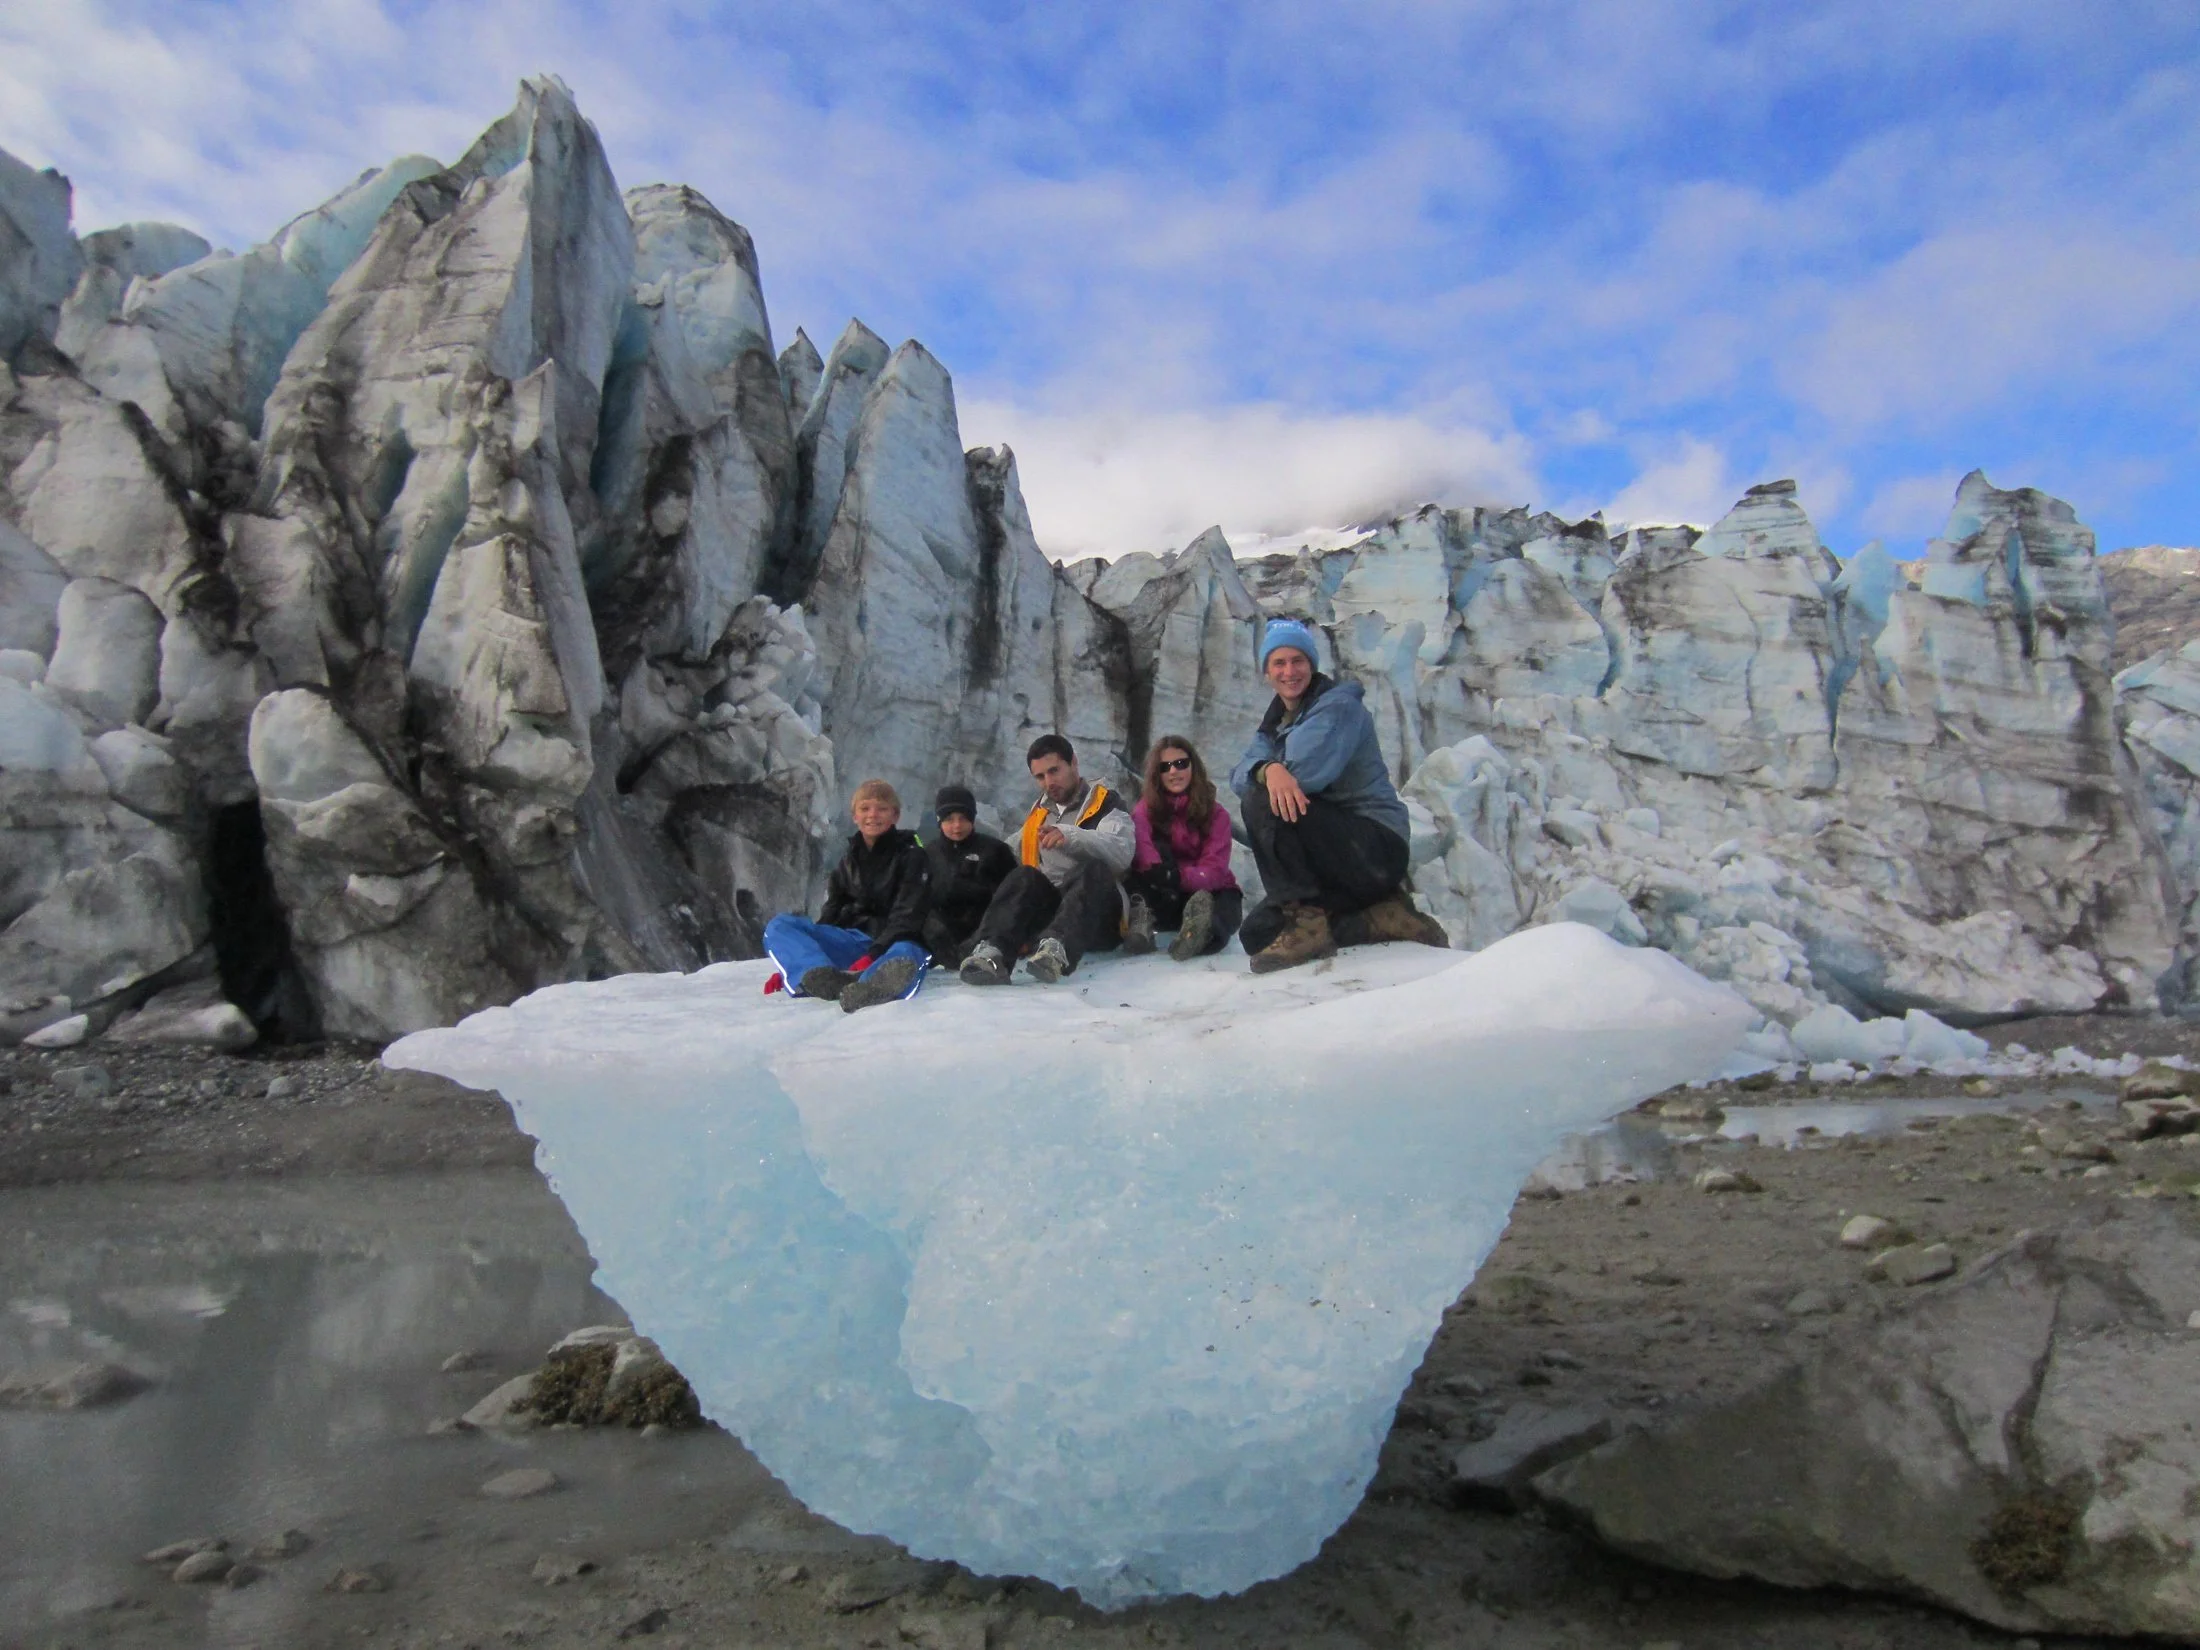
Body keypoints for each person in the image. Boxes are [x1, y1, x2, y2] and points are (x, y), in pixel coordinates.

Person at [1230, 618, 1448, 972]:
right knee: (1258, 932)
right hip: (1335, 856)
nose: (1289, 671)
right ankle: (1380, 918)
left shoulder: (1337, 708)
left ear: (1312, 665)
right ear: (1267, 672)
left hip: (1375, 847)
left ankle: (1309, 923)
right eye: (1279, 663)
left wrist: (1269, 771)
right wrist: (1268, 769)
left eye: (1297, 660)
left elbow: (1301, 776)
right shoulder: (1276, 724)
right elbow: (1237, 775)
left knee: (1262, 800)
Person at [960, 735, 1134, 985]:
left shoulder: (1106, 802)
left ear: (1073, 763)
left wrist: (1070, 835)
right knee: (1025, 876)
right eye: (1040, 777)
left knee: (1092, 868)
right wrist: (979, 857)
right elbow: (1013, 848)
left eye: (1054, 771)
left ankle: (1057, 949)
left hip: (1100, 915)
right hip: (1054, 913)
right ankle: (993, 953)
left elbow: (1122, 851)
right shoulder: (1040, 812)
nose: (1049, 782)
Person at [761, 779, 932, 1012]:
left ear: (895, 816)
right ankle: (815, 977)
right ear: (854, 816)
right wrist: (794, 963)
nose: (873, 815)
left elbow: (908, 916)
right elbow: (831, 913)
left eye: (882, 809)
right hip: (855, 940)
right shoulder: (848, 861)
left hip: (896, 941)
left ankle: (873, 987)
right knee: (780, 925)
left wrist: (873, 954)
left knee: (905, 955)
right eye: (865, 808)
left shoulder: (912, 856)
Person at [1123, 736, 1243, 961]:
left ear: (1193, 766)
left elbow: (1214, 870)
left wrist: (1179, 877)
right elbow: (1142, 847)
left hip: (1210, 890)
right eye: (1165, 767)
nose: (1173, 772)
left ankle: (1200, 933)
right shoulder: (1145, 810)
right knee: (1134, 877)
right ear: (1156, 774)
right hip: (1166, 892)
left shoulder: (1216, 815)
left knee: (1225, 909)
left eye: (1181, 764)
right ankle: (1144, 925)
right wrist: (1159, 872)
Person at [921, 783, 1017, 965]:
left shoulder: (996, 850)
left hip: (984, 936)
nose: (957, 826)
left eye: (964, 818)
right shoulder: (927, 855)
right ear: (939, 820)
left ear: (973, 819)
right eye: (949, 819)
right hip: (940, 940)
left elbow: (1010, 899)